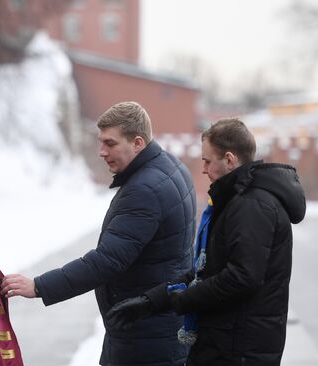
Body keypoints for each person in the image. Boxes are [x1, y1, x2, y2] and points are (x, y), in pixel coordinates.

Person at [1, 101, 196, 365]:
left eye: (111, 144)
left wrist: (38, 286)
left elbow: (107, 261)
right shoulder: (171, 167)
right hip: (156, 326)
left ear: (138, 142)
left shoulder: (145, 190)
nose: (101, 152)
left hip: (144, 336)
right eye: (100, 142)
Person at [106, 118, 306, 366]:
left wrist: (180, 300)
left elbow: (242, 277)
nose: (202, 169)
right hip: (225, 343)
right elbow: (207, 267)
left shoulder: (253, 206)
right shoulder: (236, 201)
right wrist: (152, 301)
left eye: (207, 161)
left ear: (230, 160)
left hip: (239, 349)